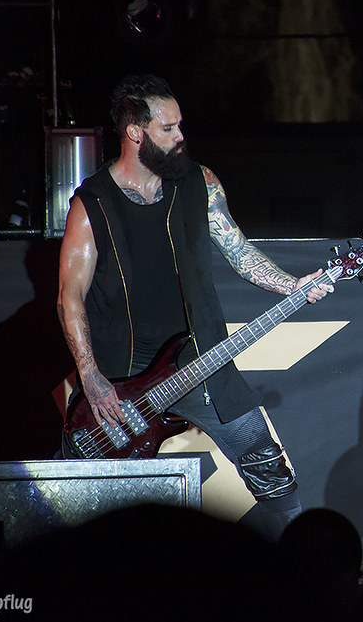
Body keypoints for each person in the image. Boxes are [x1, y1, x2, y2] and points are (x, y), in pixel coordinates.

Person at [57, 74, 332, 539]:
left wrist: (293, 286)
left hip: (200, 359)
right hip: (124, 377)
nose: (180, 136)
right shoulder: (92, 204)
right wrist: (91, 376)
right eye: (168, 128)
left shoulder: (198, 182)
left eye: (180, 125)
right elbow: (70, 296)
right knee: (94, 501)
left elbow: (239, 252)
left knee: (269, 469)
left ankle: (297, 568)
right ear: (135, 133)